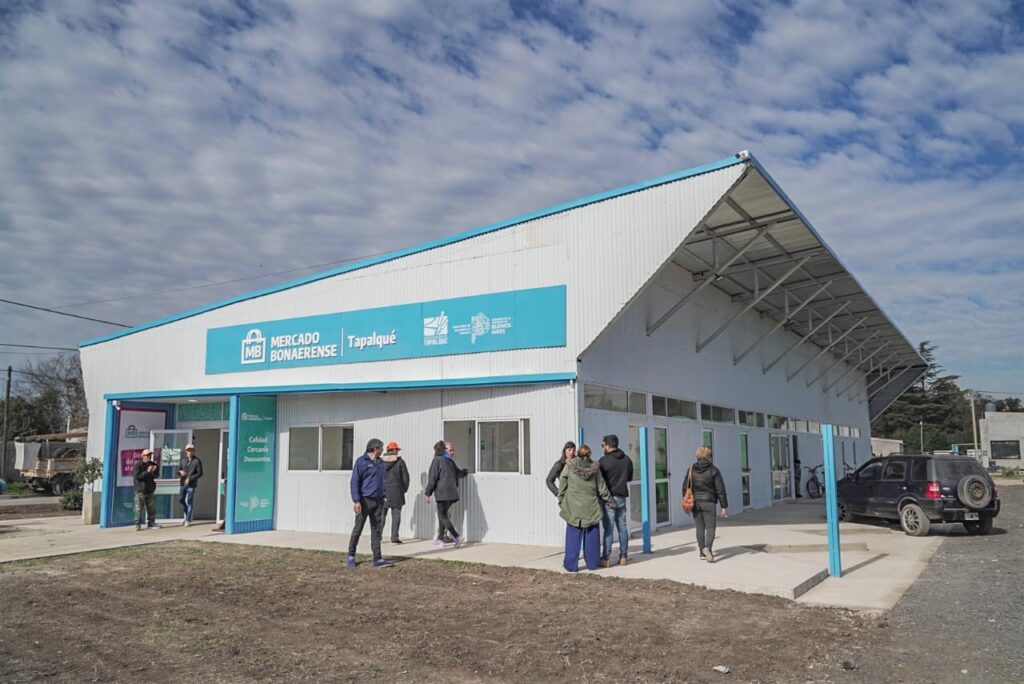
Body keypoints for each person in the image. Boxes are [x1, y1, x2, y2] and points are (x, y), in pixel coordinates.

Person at [558, 445, 615, 572]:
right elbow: (602, 487)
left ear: (578, 453)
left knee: (573, 537)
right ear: (589, 454)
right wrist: (610, 500)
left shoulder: (569, 466)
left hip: (573, 507)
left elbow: (562, 482)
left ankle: (571, 565)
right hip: (591, 506)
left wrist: (561, 499)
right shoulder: (595, 468)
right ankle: (592, 564)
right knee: (592, 537)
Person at [347, 438, 393, 568]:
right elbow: (354, 482)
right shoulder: (361, 462)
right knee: (358, 528)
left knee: (376, 530)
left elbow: (383, 480)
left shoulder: (380, 463)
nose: (383, 450)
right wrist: (356, 501)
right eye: (381, 448)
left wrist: (384, 495)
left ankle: (377, 558)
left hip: (378, 501)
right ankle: (351, 555)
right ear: (376, 449)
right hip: (364, 501)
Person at [685, 446, 729, 562]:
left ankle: (701, 552)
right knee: (710, 527)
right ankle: (708, 549)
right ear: (709, 456)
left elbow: (685, 487)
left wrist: (687, 502)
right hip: (709, 503)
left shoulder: (691, 470)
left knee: (699, 527)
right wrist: (724, 506)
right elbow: (720, 490)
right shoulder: (714, 470)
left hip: (695, 503)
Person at [598, 434, 633, 567]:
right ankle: (623, 557)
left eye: (603, 445)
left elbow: (599, 482)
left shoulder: (603, 461)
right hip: (621, 497)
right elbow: (629, 478)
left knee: (609, 529)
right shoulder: (627, 460)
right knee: (622, 528)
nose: (603, 448)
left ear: (608, 445)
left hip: (609, 498)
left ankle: (606, 558)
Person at [425, 440, 467, 548]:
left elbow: (432, 478)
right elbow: (459, 473)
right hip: (452, 493)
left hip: (442, 493)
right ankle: (440, 539)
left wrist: (427, 493)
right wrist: (465, 472)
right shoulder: (449, 461)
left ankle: (457, 536)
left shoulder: (437, 460)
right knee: (443, 516)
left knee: (442, 515)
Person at [381, 441, 410, 544]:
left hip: (383, 492)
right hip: (397, 492)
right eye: (396, 449)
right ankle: (394, 538)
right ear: (392, 450)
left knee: (381, 515)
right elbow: (406, 478)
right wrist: (404, 489)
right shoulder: (400, 462)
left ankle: (377, 537)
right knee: (396, 515)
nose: (397, 451)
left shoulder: (380, 462)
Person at [178, 443, 204, 526]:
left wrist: (190, 478)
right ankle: (187, 515)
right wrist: (180, 472)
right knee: (181, 499)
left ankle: (188, 519)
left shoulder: (197, 461)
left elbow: (200, 473)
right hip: (183, 483)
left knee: (190, 501)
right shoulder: (183, 460)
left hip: (191, 485)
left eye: (192, 450)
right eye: (188, 450)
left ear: (194, 451)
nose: (190, 452)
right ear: (186, 451)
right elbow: (179, 470)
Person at [133, 449, 159, 531]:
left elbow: (156, 475)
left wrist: (155, 470)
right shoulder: (138, 465)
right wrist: (147, 471)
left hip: (150, 490)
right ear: (142, 456)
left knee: (151, 508)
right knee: (138, 508)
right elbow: (138, 477)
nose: (149, 457)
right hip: (140, 491)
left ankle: (151, 523)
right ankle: (138, 524)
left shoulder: (152, 464)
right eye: (147, 455)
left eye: (150, 455)